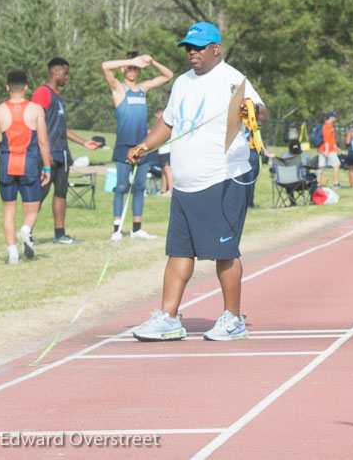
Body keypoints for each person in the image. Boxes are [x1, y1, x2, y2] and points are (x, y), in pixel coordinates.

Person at [127, 22, 266, 342]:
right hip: (185, 184)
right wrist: (145, 146)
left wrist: (254, 111)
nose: (192, 53)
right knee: (179, 252)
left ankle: (233, 319)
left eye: (199, 47)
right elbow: (168, 124)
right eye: (188, 47)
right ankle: (168, 318)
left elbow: (261, 112)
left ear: (216, 48)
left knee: (224, 252)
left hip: (222, 178)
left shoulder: (232, 78)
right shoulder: (182, 83)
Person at [101, 51, 174, 241]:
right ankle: (117, 229)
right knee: (122, 186)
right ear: (124, 68)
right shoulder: (119, 88)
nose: (132, 71)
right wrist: (130, 60)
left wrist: (152, 61)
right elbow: (105, 66)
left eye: (135, 68)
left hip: (142, 147)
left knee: (140, 187)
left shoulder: (143, 88)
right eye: (129, 68)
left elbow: (168, 76)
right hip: (124, 146)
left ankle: (136, 229)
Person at [32, 57, 102, 244]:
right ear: (55, 72)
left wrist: (83, 142)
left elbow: (62, 128)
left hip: (63, 152)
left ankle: (60, 234)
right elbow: (34, 121)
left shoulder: (58, 96)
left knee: (61, 192)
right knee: (40, 192)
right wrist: (43, 152)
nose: (67, 77)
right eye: (65, 73)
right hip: (48, 153)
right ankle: (27, 234)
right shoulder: (42, 92)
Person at [0, 71, 53, 264]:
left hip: (7, 165)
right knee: (32, 210)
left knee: (9, 211)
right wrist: (47, 168)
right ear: (26, 87)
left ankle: (12, 254)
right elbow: (42, 141)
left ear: (7, 87)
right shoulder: (35, 110)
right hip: (29, 165)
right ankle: (25, 231)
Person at [150, 107, 173, 195]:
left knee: (168, 169)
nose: (157, 119)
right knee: (163, 169)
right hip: (162, 151)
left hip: (168, 150)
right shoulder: (158, 125)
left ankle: (171, 190)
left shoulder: (168, 124)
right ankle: (163, 190)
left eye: (158, 116)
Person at [317, 112, 341, 188]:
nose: (335, 118)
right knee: (337, 164)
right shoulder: (328, 126)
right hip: (327, 149)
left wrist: (335, 147)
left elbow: (330, 139)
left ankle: (317, 183)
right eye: (334, 117)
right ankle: (336, 183)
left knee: (321, 166)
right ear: (330, 117)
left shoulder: (326, 125)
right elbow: (326, 138)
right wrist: (327, 150)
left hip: (323, 148)